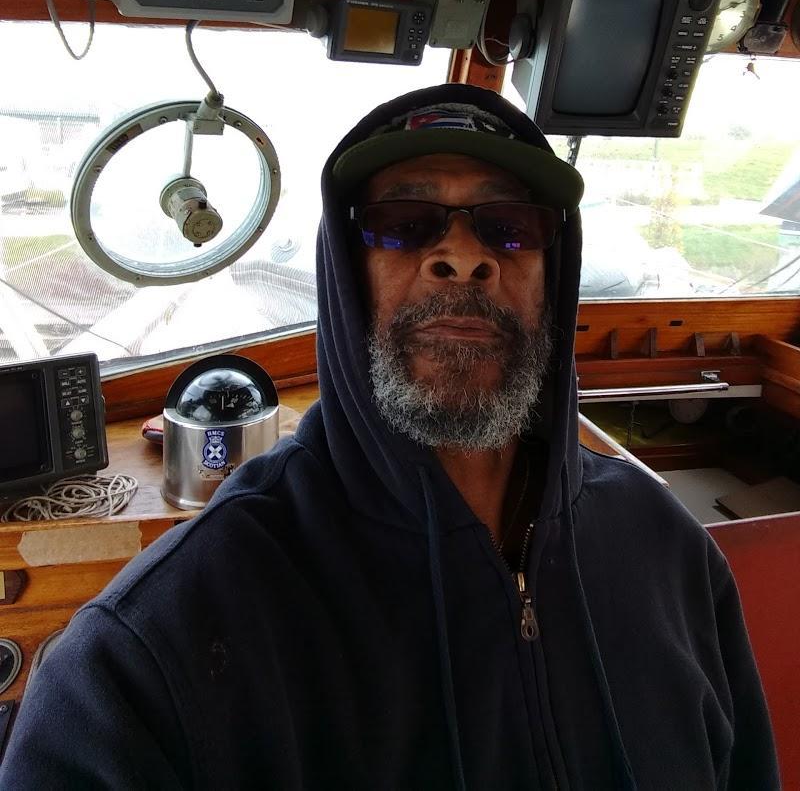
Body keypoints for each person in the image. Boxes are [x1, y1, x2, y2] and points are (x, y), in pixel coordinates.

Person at [1, 84, 778, 790]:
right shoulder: (150, 656)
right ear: (346, 274)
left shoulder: (671, 553)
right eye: (405, 224)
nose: (463, 256)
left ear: (554, 271)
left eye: (509, 227)